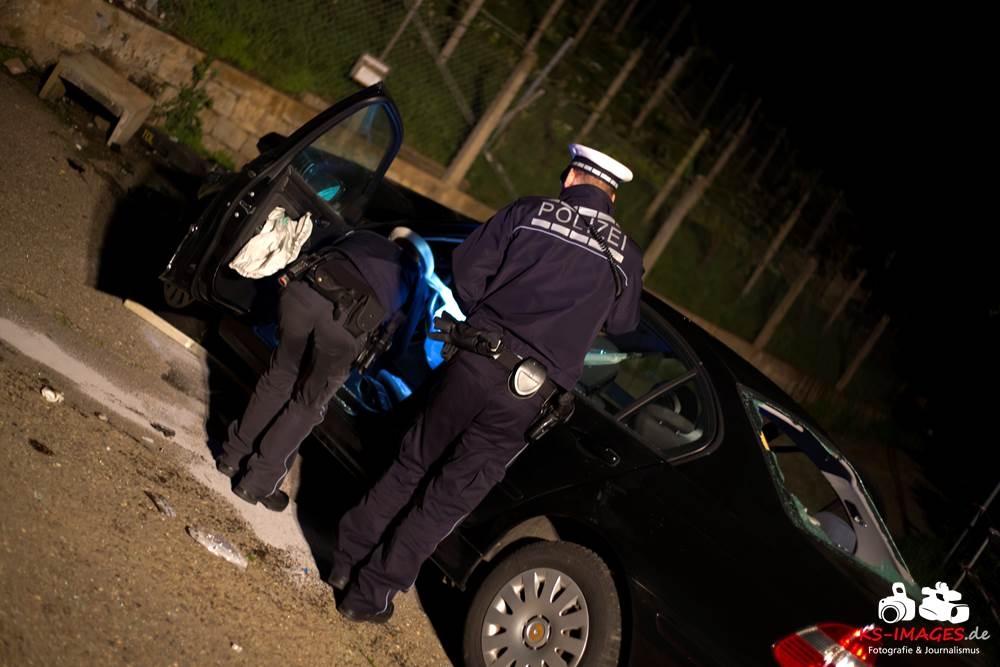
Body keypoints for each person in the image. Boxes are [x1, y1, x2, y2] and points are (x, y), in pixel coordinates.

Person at [329, 144, 644, 622]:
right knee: (447, 499)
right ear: (612, 197)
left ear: (570, 178)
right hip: (527, 397)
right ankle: (367, 597)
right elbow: (623, 324)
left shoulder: (528, 212)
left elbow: (467, 272)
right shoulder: (626, 255)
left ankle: (345, 562)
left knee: (411, 462)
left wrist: (492, 317)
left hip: (475, 362)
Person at [215, 229, 424, 511]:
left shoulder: (363, 236)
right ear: (419, 259)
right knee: (307, 403)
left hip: (301, 296)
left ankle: (232, 458)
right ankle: (258, 483)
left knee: (279, 377)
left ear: (393, 240)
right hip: (345, 326)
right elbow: (398, 342)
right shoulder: (415, 276)